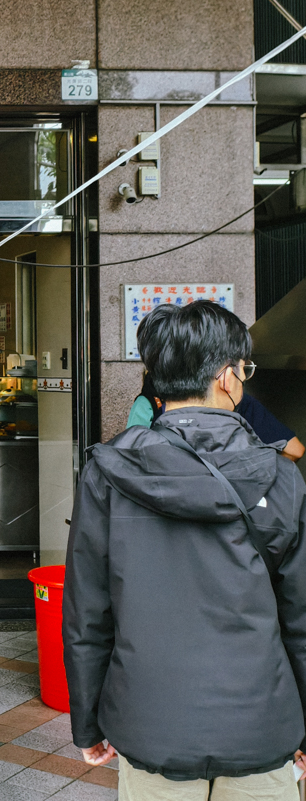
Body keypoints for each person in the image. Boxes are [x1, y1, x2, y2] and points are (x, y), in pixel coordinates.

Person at [64, 300, 306, 798]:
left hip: (150, 721)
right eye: (245, 368)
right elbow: (301, 617)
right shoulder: (280, 476)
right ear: (226, 377)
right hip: (260, 722)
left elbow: (88, 614)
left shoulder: (108, 474)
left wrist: (88, 723)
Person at [128, 373, 305, 461]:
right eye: (244, 369)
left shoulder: (148, 403)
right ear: (227, 376)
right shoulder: (240, 402)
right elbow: (295, 451)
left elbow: (132, 457)